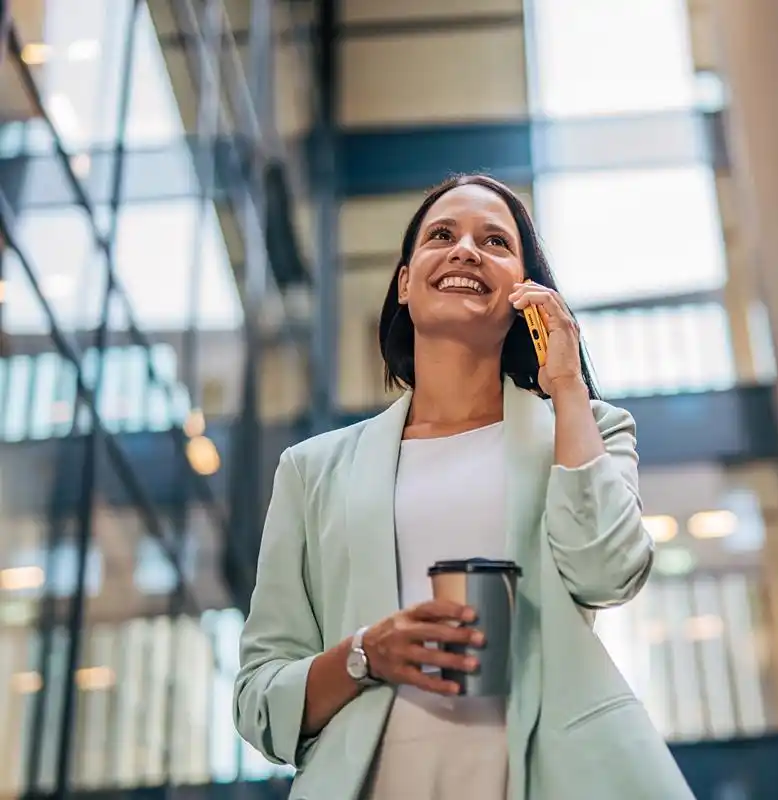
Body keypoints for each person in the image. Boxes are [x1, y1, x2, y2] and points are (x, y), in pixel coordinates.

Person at [234, 174, 694, 800]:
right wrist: (367, 652)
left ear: (525, 291)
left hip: (550, 778)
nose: (466, 250)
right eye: (441, 235)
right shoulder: (311, 471)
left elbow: (607, 571)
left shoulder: (585, 429)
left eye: (496, 242)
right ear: (404, 280)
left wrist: (567, 388)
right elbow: (260, 699)